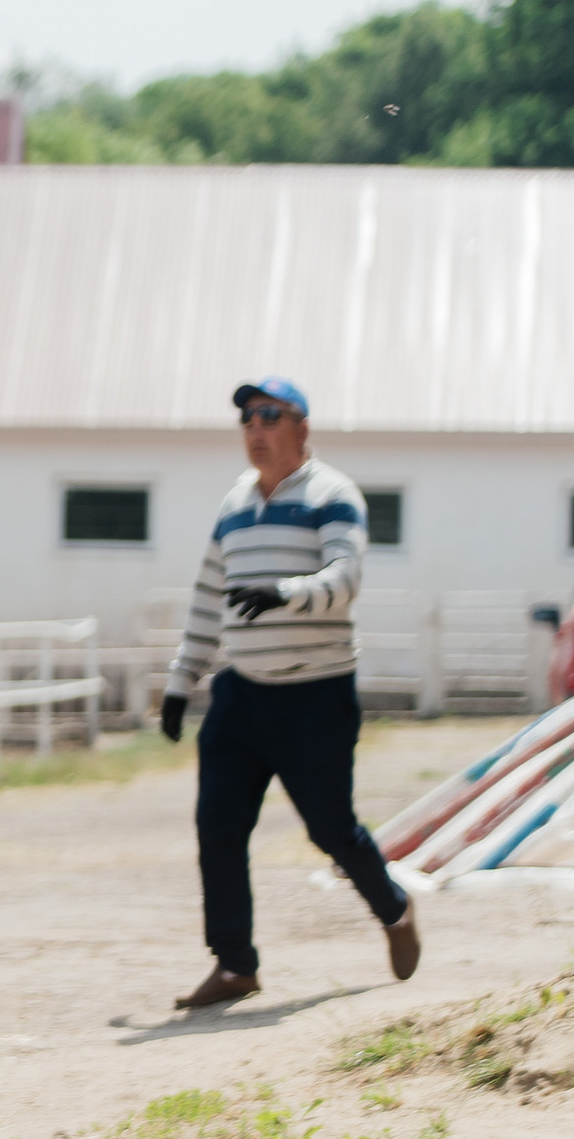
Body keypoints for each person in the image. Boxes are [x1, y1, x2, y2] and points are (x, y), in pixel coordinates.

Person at [160, 377, 420, 1010]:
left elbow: (346, 577)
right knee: (217, 827)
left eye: (269, 416)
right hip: (241, 696)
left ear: (302, 428)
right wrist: (179, 681)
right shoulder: (233, 506)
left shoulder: (334, 495)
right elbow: (206, 599)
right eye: (247, 418)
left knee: (332, 830)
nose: (256, 428)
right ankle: (234, 966)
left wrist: (286, 591)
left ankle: (394, 908)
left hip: (315, 697)